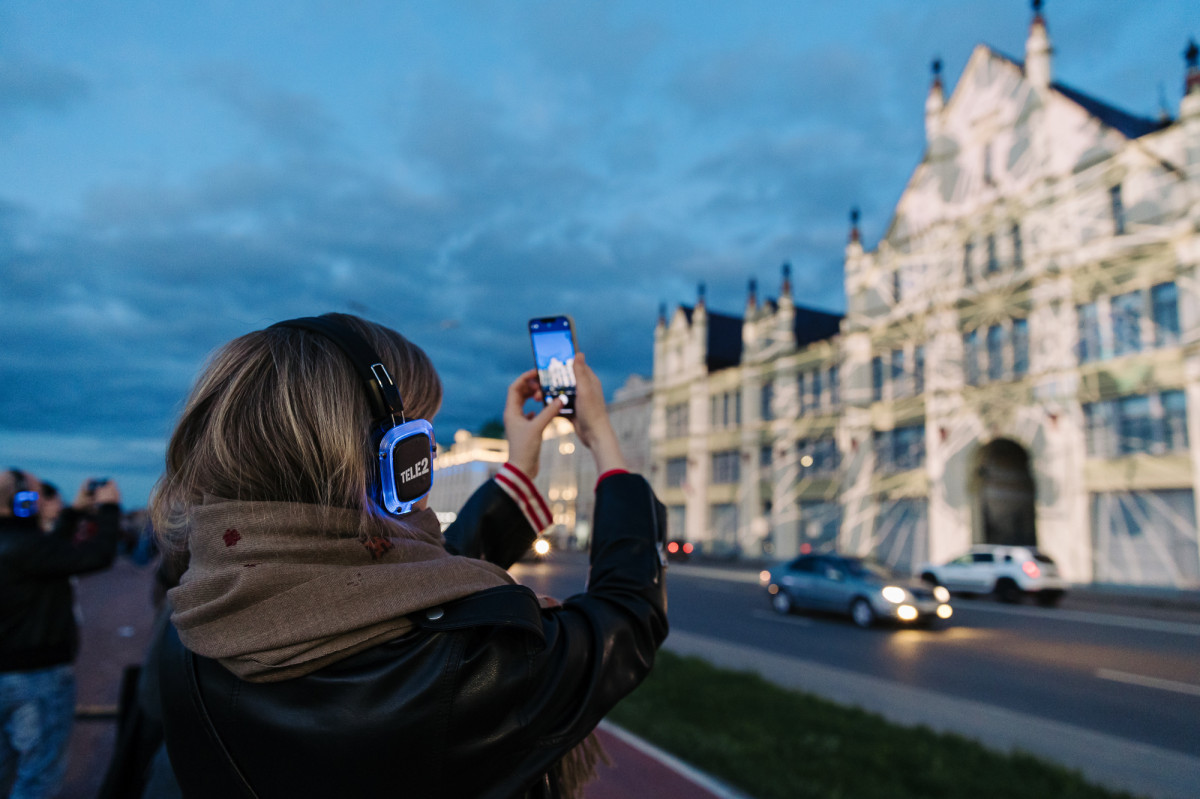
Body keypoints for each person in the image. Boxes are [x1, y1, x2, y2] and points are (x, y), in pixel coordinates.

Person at [151, 313, 668, 799]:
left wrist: (519, 468)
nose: (434, 452)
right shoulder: (461, 674)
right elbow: (629, 615)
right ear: (396, 457)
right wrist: (603, 439)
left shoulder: (189, 623)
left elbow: (401, 591)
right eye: (425, 434)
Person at [0, 470, 122, 799]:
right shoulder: (25, 546)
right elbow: (95, 556)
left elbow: (47, 553)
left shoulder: (19, 544)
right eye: (37, 495)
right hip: (35, 677)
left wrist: (74, 513)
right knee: (38, 775)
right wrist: (110, 510)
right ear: (22, 502)